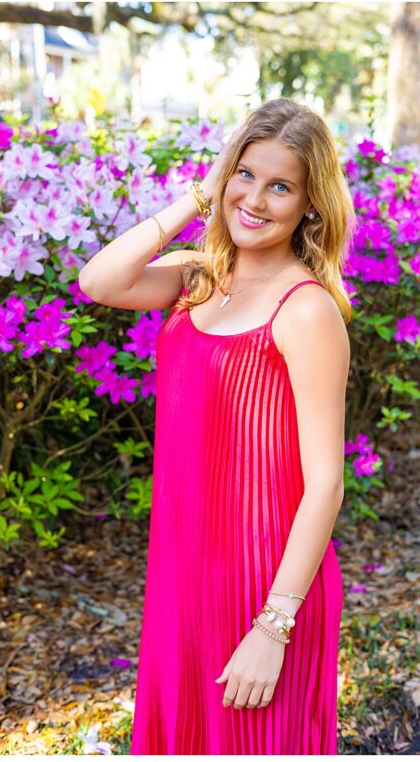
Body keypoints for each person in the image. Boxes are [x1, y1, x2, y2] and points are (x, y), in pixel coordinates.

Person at [79, 99, 351, 754]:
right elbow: (99, 280)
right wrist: (198, 198)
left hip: (264, 580)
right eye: (246, 175)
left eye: (281, 186)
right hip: (182, 569)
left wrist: (273, 625)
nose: (256, 199)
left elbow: (325, 484)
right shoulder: (199, 278)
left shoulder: (305, 309)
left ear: (311, 204)